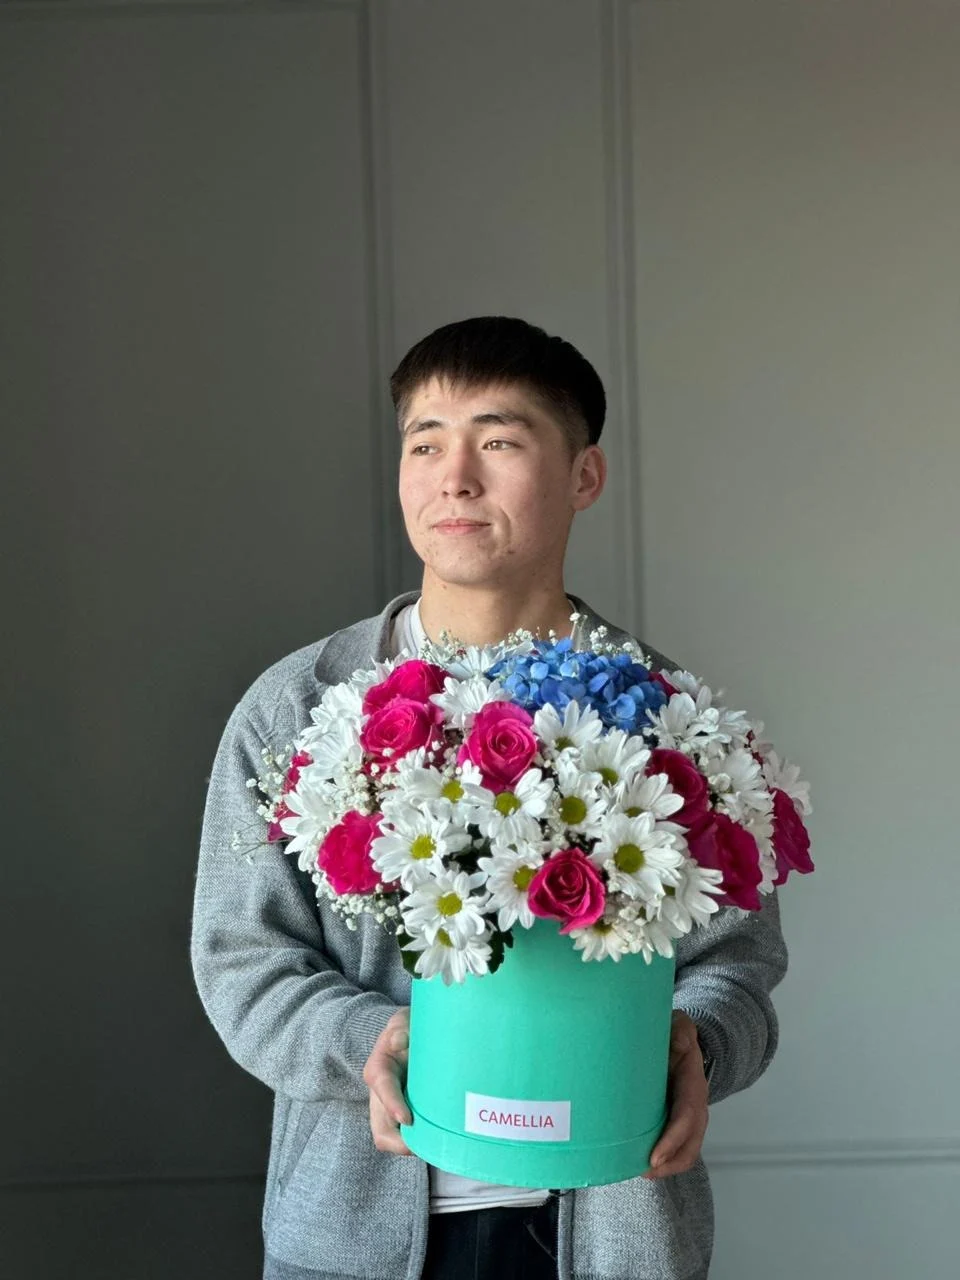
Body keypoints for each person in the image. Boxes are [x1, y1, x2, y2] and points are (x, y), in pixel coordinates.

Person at [191, 316, 788, 1280]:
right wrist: (374, 1041)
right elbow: (241, 958)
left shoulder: (669, 719)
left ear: (584, 476)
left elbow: (739, 962)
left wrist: (701, 1043)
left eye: (499, 441)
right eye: (425, 444)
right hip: (352, 1242)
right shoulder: (299, 705)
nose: (454, 478)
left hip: (611, 1238)